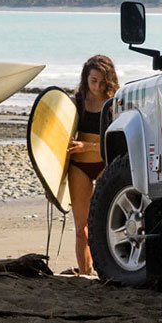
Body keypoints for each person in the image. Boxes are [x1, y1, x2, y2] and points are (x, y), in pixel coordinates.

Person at [64, 54, 119, 275]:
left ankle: (110, 270)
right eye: (93, 80)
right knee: (81, 230)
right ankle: (86, 275)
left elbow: (115, 143)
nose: (97, 86)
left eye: (102, 82)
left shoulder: (114, 104)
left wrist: (86, 146)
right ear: (86, 77)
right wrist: (51, 185)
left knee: (106, 227)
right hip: (79, 168)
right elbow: (61, 142)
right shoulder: (76, 102)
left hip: (106, 164)